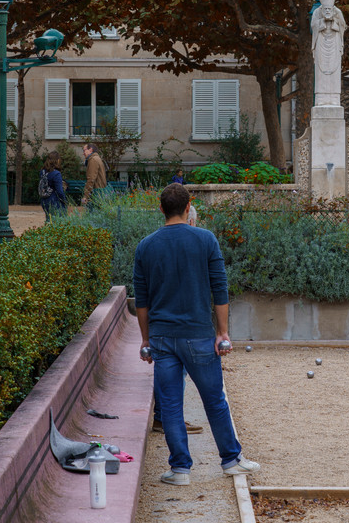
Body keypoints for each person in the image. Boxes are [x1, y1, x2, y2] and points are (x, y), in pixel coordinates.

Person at [134, 183, 261, 485]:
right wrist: (223, 332)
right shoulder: (206, 240)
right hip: (200, 335)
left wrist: (145, 340)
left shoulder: (146, 246)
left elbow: (142, 301)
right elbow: (220, 289)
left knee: (171, 406)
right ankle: (231, 460)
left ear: (161, 208)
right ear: (189, 207)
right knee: (214, 400)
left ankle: (180, 469)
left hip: (163, 338)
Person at [151, 198, 204, 437]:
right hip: (177, 323)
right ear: (189, 218)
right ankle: (165, 419)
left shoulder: (155, 243)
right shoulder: (194, 244)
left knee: (169, 371)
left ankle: (165, 418)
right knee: (175, 372)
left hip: (162, 320)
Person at [39, 151, 66, 222]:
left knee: (48, 220)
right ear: (57, 160)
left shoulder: (42, 172)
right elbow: (60, 191)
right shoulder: (56, 174)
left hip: (44, 199)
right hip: (54, 200)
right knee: (58, 221)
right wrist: (64, 200)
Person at [82, 143, 107, 211]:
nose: (83, 153)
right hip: (99, 191)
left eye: (84, 150)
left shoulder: (93, 160)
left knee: (93, 215)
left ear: (90, 150)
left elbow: (91, 179)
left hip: (96, 192)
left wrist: (85, 196)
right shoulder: (96, 158)